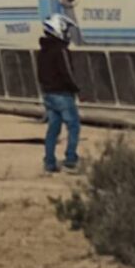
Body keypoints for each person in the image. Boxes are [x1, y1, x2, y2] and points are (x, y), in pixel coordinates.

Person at [36, 13, 81, 173]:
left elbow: (40, 74)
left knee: (53, 129)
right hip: (62, 94)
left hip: (48, 94)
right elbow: (67, 72)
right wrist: (76, 88)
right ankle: (71, 159)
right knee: (73, 126)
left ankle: (49, 161)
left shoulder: (42, 51)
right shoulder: (61, 50)